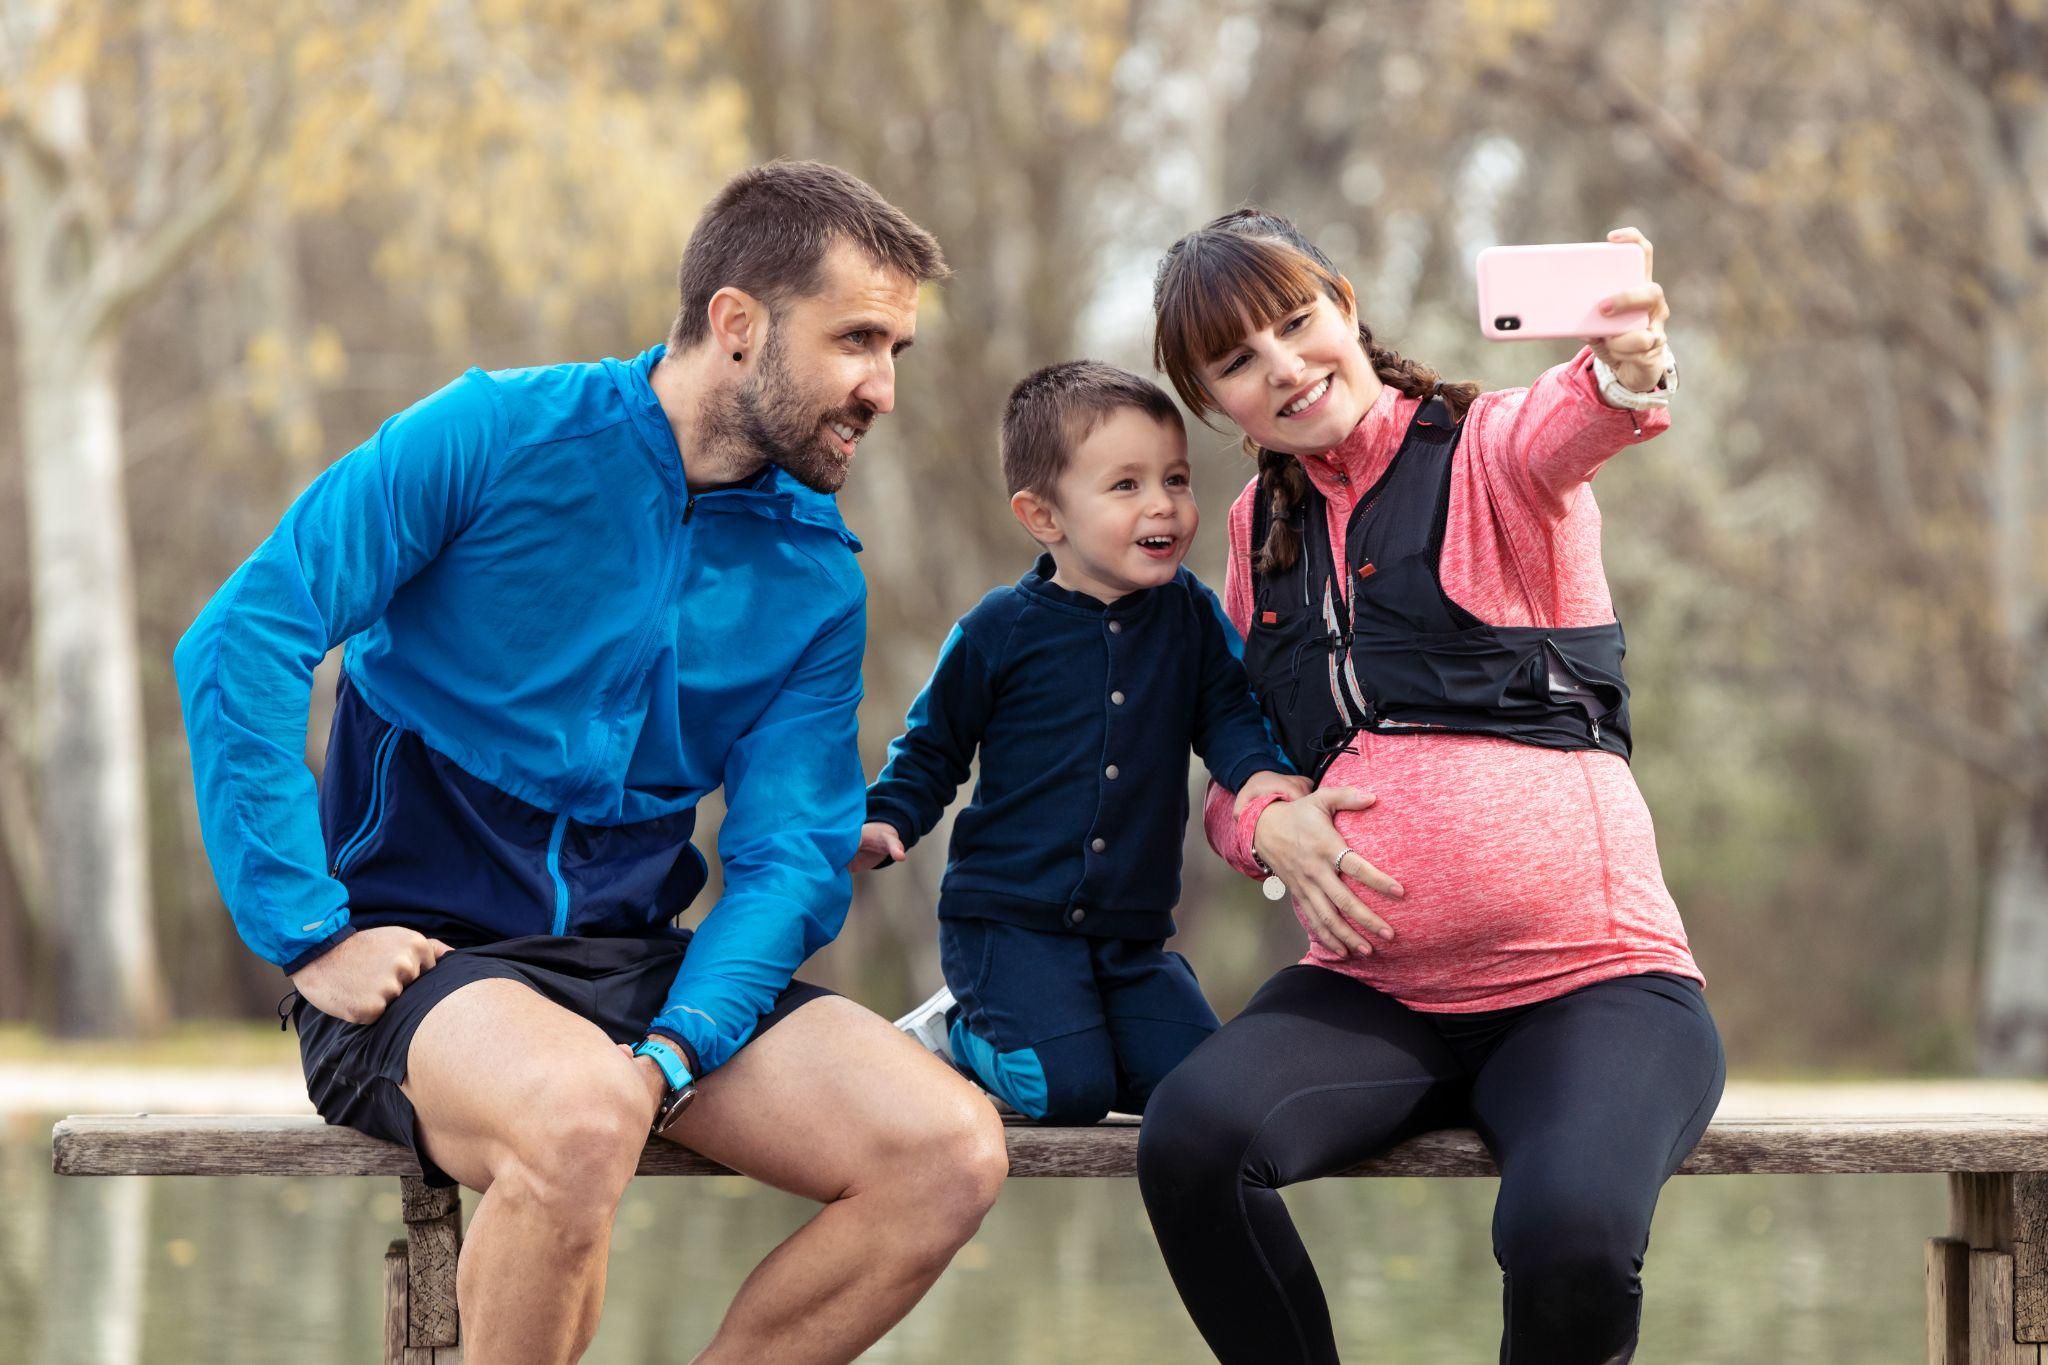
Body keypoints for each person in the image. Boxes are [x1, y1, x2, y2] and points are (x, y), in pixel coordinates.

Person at [173, 160, 1008, 1365]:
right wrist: (305, 931)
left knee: (946, 1153)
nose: (881, 387)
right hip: (421, 965)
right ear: (736, 325)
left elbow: (787, 859)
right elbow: (245, 636)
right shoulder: (492, 436)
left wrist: (686, 1037)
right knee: (576, 1117)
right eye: (856, 340)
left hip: (634, 969)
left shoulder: (815, 573)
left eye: (897, 351)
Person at [1133, 209, 1725, 1364]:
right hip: (1375, 996)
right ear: (1216, 406)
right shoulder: (1258, 530)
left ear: (1346, 306)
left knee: (1570, 1239)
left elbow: (1581, 417)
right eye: (1239, 363)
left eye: (1297, 323)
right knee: (1190, 1140)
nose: (1285, 369)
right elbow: (1236, 768)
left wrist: (1630, 362)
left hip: (1593, 987)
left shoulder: (1488, 450)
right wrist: (1270, 824)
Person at [854, 361, 1308, 1123]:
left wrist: (1260, 775)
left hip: (1130, 936)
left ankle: (1079, 1038)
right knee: (1069, 1091)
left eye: (1176, 478)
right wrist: (889, 817)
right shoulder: (1000, 629)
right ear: (1044, 515)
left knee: (1205, 1095)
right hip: (1008, 923)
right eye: (1125, 485)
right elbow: (932, 747)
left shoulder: (1189, 617)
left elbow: (1229, 714)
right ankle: (962, 1032)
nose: (1163, 504)